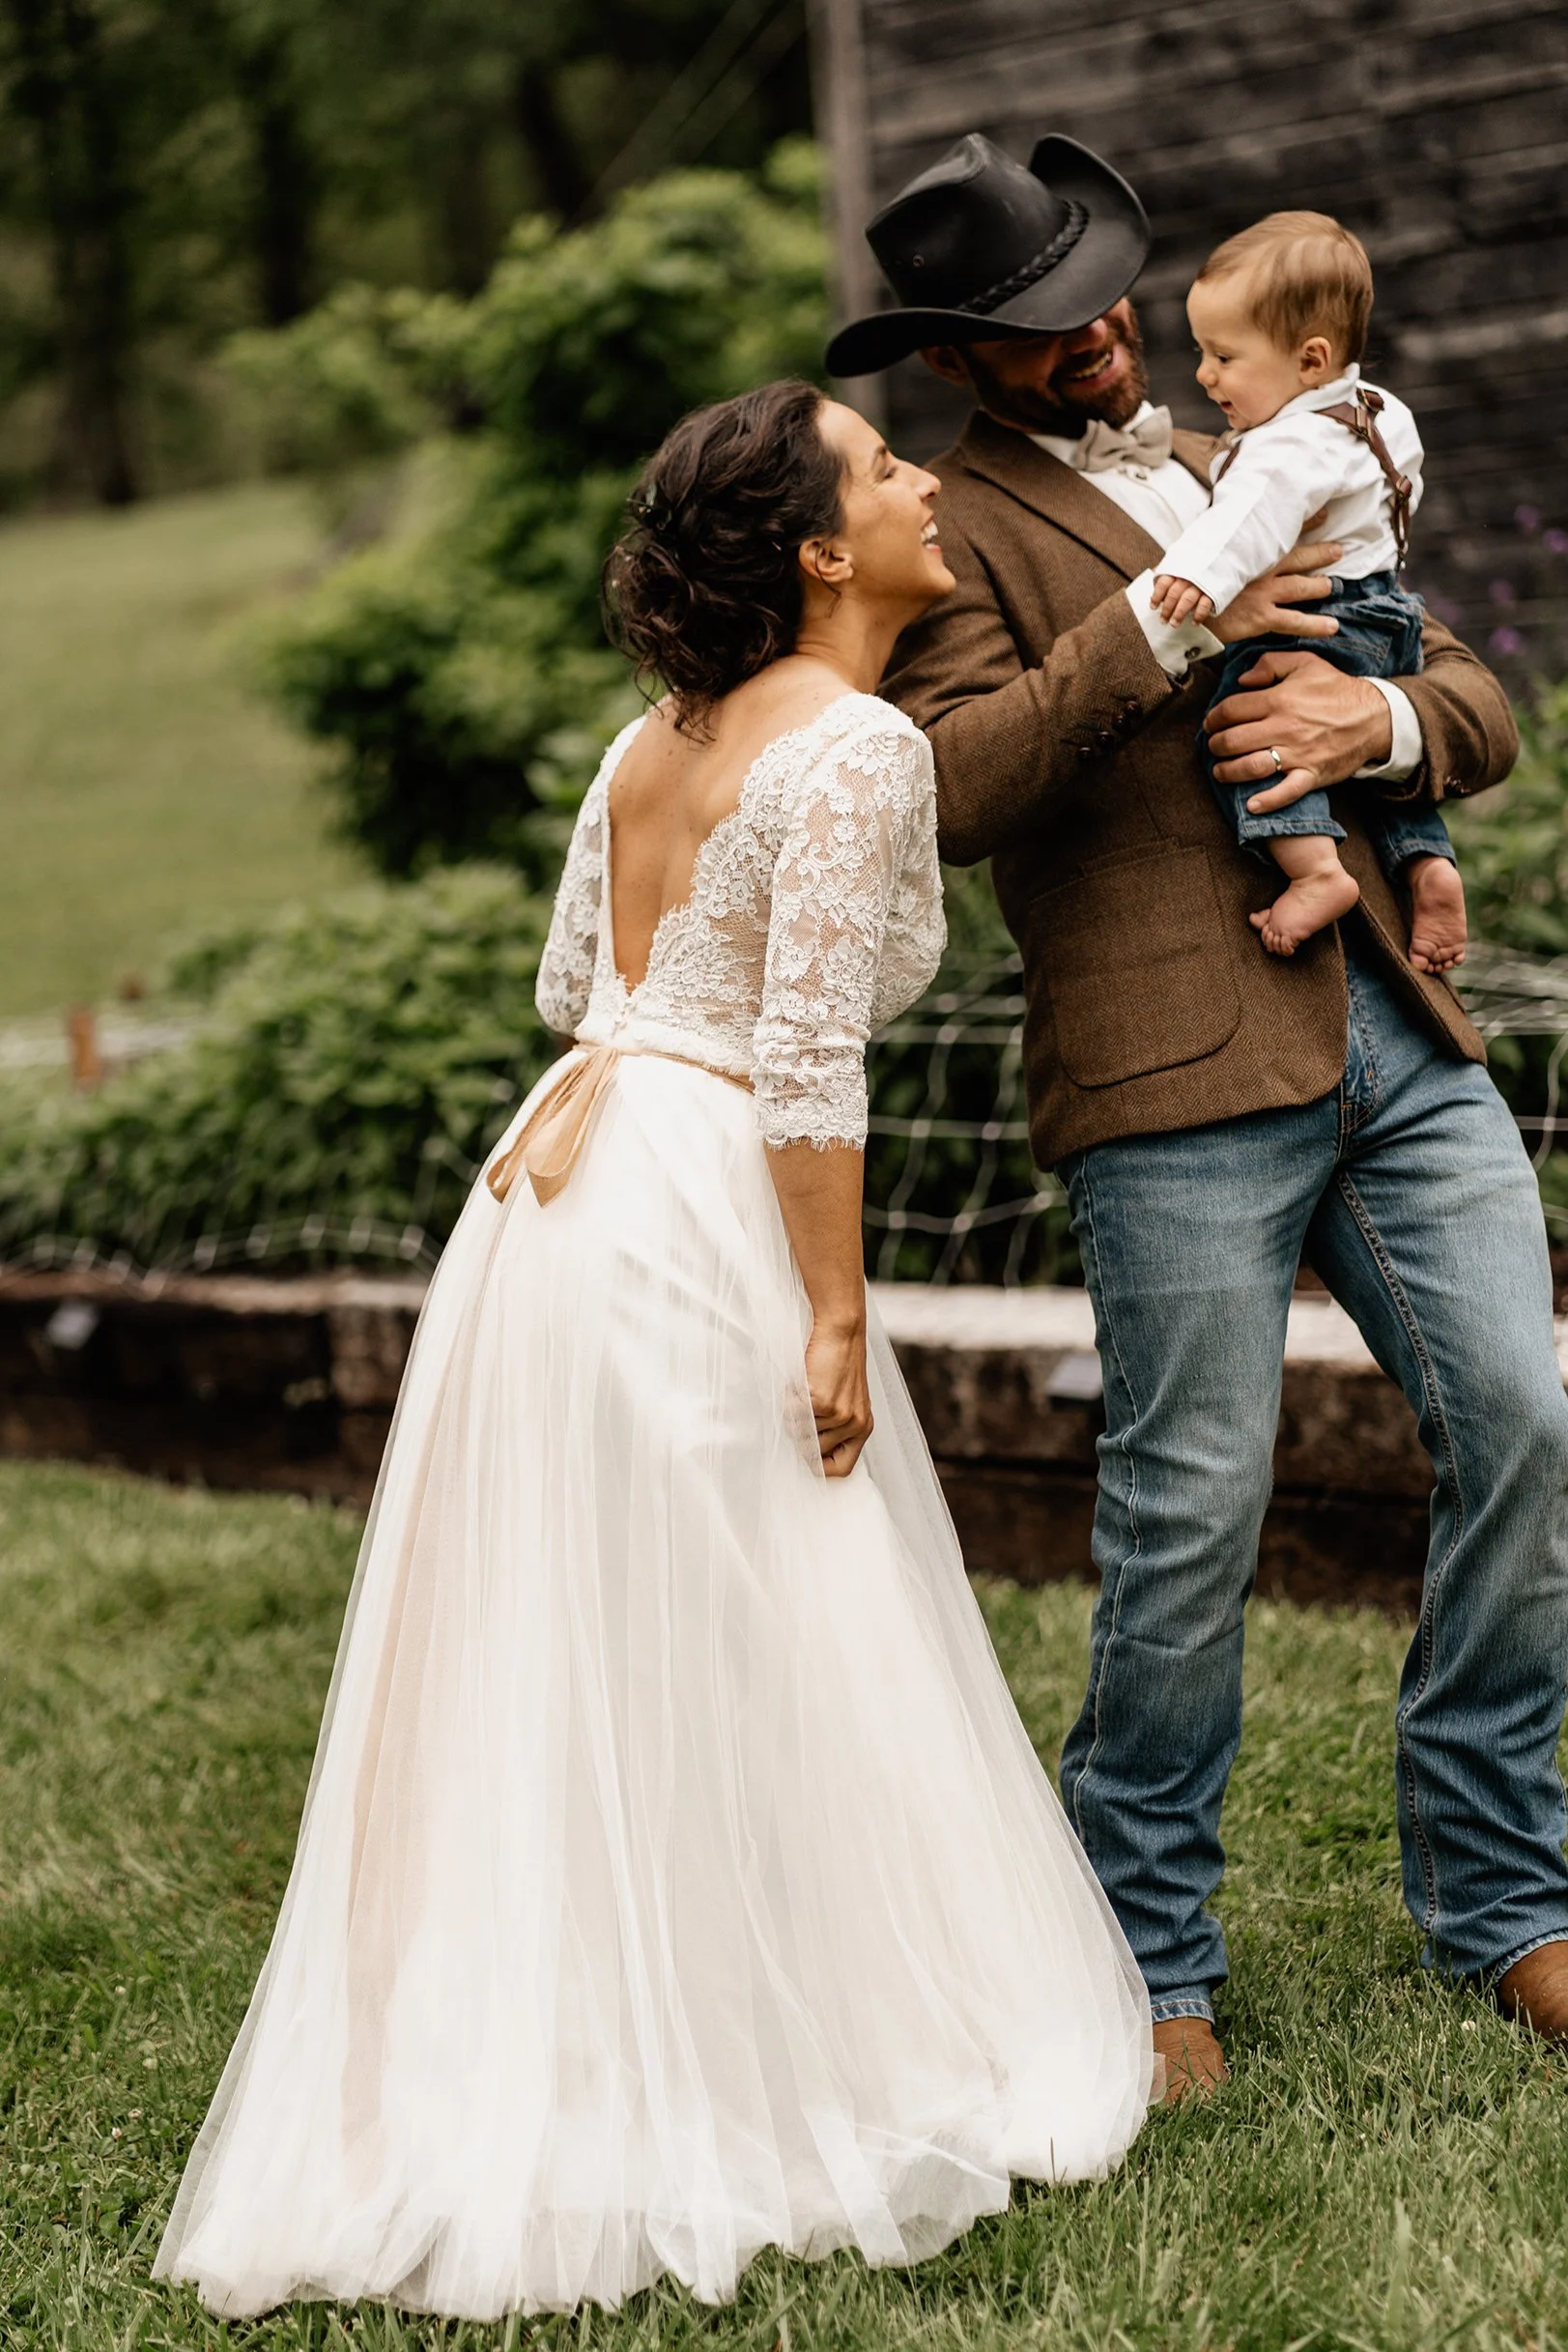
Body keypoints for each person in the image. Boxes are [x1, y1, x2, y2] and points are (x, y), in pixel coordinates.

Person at [154, 378, 1155, 2323]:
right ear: (812, 546)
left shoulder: (649, 739)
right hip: (698, 1194)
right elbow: (804, 1061)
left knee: (594, 1625)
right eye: (880, 469)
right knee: (775, 1607)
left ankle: (572, 2021)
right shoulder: (854, 743)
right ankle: (785, 2049)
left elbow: (566, 987)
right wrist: (841, 1304)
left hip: (550, 1198)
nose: (921, 483)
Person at [828, 131, 1568, 2098]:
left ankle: (1504, 1896)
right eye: (1031, 326)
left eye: (1093, 295)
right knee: (1188, 1520)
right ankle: (1146, 1947)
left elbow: (1477, 696)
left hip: (1396, 1047)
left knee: (1528, 1419)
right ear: (960, 364)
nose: (1089, 336)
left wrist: (1376, 727)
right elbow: (961, 779)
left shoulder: (1270, 441)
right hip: (1168, 1083)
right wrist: (1161, 617)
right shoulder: (946, 530)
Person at [1150, 210, 1465, 966]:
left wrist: (1196, 574)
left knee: (1243, 728)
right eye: (1201, 352)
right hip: (1388, 612)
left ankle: (1314, 870)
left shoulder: (1284, 445)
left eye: (1223, 356)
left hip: (1316, 616)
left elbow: (1249, 519)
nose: (1203, 374)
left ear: (1311, 358)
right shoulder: (1377, 411)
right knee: (1362, 760)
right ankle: (1429, 863)